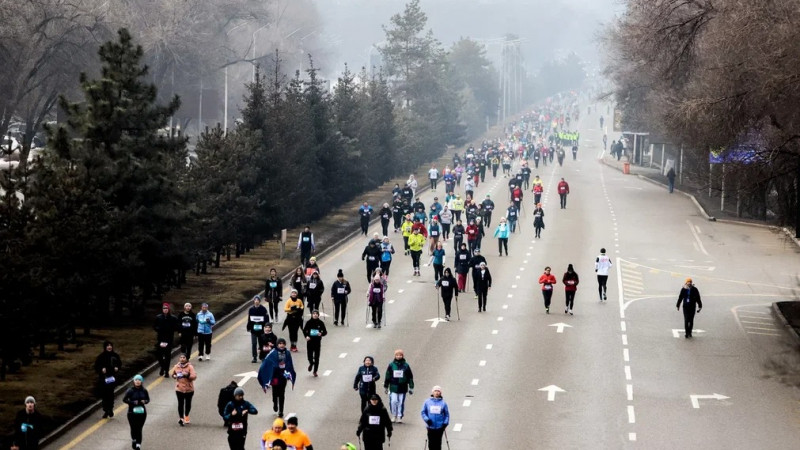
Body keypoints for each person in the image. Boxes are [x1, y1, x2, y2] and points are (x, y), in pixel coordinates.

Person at [257, 338, 297, 418]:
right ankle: (275, 403)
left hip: (283, 376)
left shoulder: (287, 353)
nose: (281, 345)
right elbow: (266, 362)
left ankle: (281, 411)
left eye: (283, 343)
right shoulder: (272, 353)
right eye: (280, 343)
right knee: (275, 392)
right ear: (277, 344)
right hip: (275, 376)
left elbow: (289, 364)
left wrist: (289, 373)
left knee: (282, 393)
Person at [384, 349, 414, 423]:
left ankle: (399, 416)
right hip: (393, 386)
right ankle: (394, 415)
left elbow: (410, 376)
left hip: (403, 387)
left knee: (400, 402)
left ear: (402, 356)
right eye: (397, 355)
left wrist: (411, 387)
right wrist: (386, 386)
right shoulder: (391, 365)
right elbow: (387, 375)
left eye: (400, 355)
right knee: (393, 401)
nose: (399, 356)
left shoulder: (406, 365)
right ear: (395, 356)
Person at [94, 340, 121, 418]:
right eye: (108, 346)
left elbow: (119, 364)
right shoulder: (101, 356)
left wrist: (117, 368)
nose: (109, 347)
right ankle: (106, 410)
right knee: (104, 395)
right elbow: (96, 366)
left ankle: (110, 408)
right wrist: (101, 369)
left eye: (110, 345)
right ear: (105, 347)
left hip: (112, 377)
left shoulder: (115, 356)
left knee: (110, 394)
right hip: (103, 378)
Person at [123, 376, 149, 450]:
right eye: (136, 380)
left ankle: (138, 445)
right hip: (131, 413)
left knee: (139, 428)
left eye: (139, 380)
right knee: (133, 428)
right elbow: (124, 400)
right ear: (134, 381)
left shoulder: (144, 390)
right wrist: (132, 402)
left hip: (142, 413)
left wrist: (145, 401)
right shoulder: (130, 391)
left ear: (141, 381)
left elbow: (148, 399)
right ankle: (134, 439)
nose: (138, 381)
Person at [154, 303, 179, 377]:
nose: (165, 310)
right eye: (164, 309)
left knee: (167, 356)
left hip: (169, 339)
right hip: (161, 338)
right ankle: (163, 366)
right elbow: (154, 326)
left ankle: (166, 371)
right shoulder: (158, 317)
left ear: (169, 310)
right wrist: (159, 329)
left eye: (166, 309)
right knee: (159, 355)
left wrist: (171, 329)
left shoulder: (173, 318)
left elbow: (177, 326)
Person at [172, 353, 197, 426]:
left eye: (184, 357)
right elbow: (173, 374)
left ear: (186, 359)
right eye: (181, 357)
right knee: (180, 403)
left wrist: (187, 375)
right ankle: (181, 418)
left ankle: (186, 415)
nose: (182, 359)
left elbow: (194, 376)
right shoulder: (176, 366)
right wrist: (174, 376)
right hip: (179, 388)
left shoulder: (190, 367)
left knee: (188, 403)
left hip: (189, 389)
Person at [302, 310, 327, 376]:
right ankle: (311, 363)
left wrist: (321, 333)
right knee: (309, 356)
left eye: (316, 314)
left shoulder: (321, 323)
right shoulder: (309, 322)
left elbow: (325, 332)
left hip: (317, 342)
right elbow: (304, 330)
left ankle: (315, 371)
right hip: (310, 341)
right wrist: (306, 336)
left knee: (317, 357)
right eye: (314, 314)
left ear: (318, 315)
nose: (315, 315)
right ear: (312, 315)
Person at [248, 296, 269, 363]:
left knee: (261, 343)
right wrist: (248, 327)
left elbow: (266, 319)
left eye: (258, 300)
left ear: (259, 301)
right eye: (255, 300)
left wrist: (266, 327)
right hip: (253, 329)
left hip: (261, 329)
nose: (256, 301)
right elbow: (249, 319)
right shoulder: (251, 309)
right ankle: (254, 357)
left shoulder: (263, 309)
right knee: (254, 343)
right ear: (253, 301)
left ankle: (262, 356)